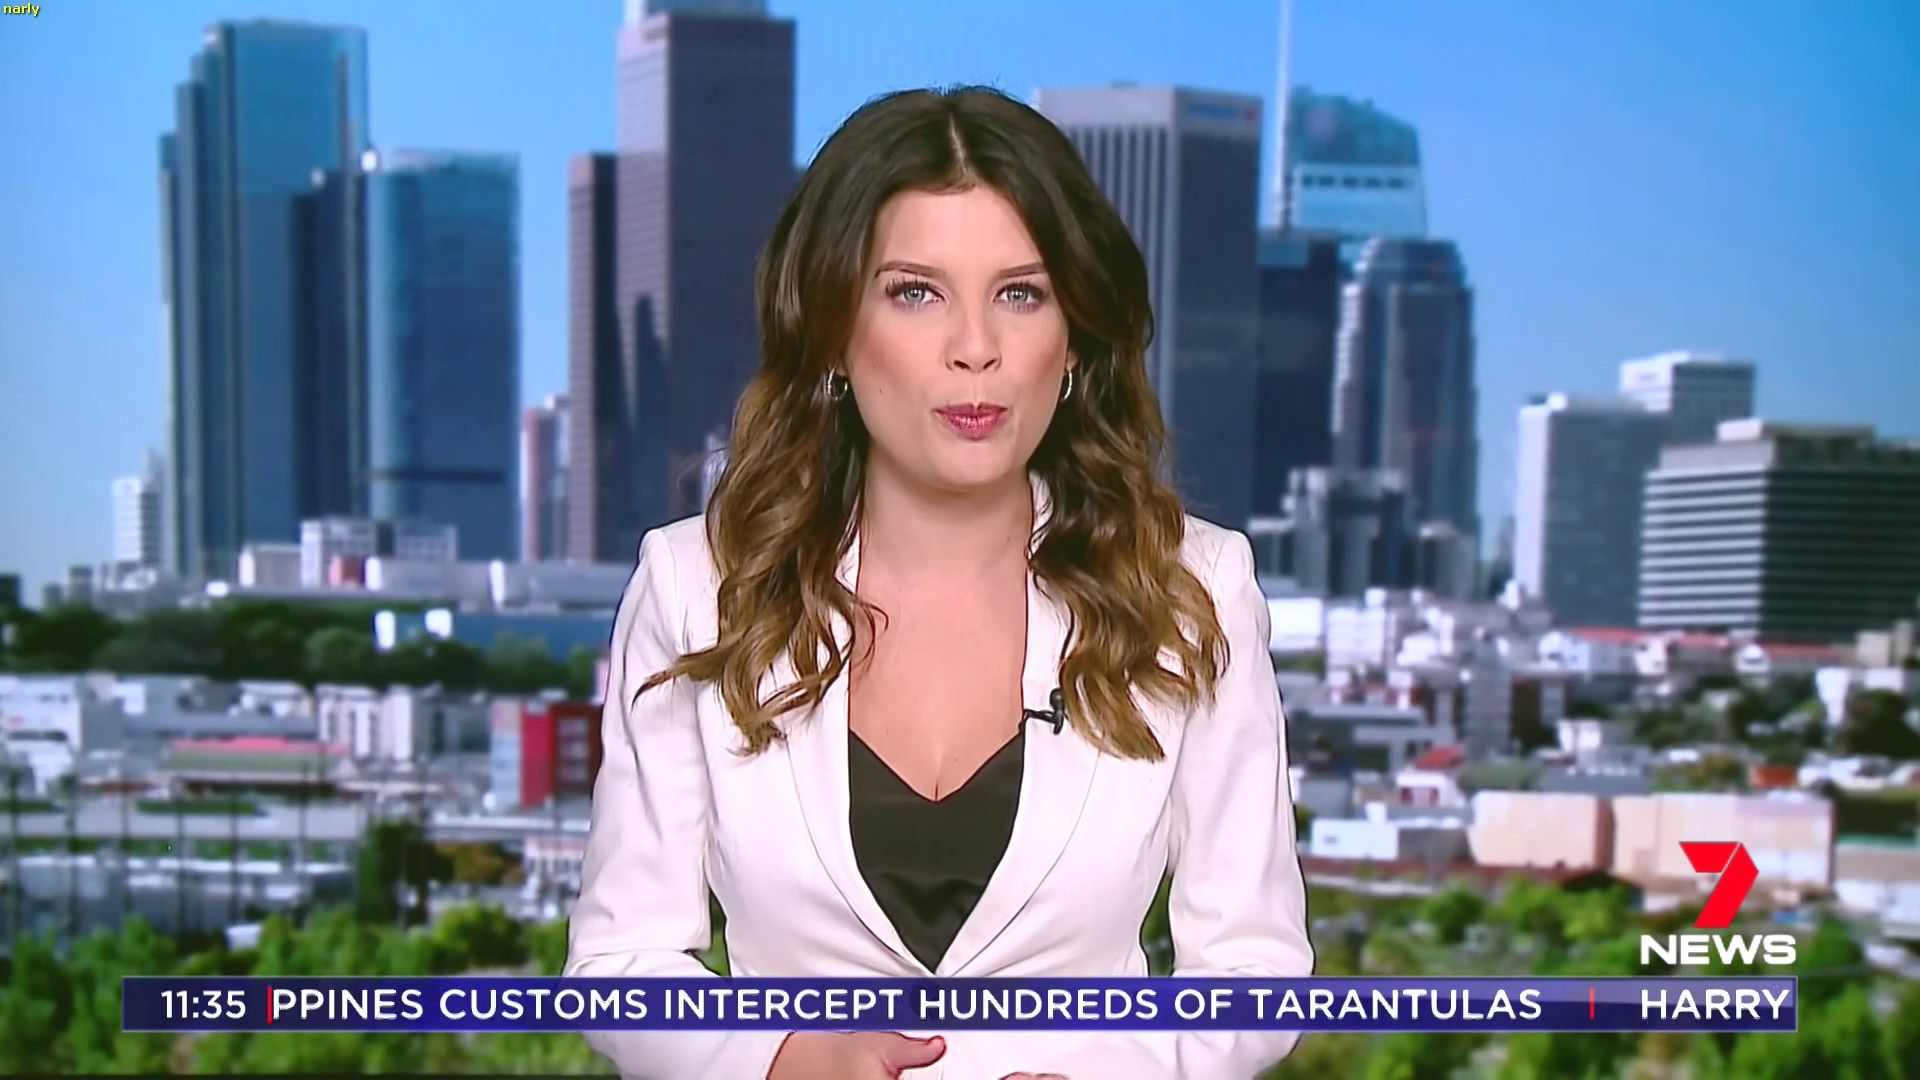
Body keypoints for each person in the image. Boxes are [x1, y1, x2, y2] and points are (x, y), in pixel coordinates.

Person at [564, 84, 1314, 1080]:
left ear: (1074, 338)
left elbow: (1254, 971)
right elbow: (620, 963)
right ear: (834, 330)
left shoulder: (1192, 590)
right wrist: (777, 1060)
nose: (975, 348)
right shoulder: (696, 588)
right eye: (916, 292)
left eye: (1021, 294)